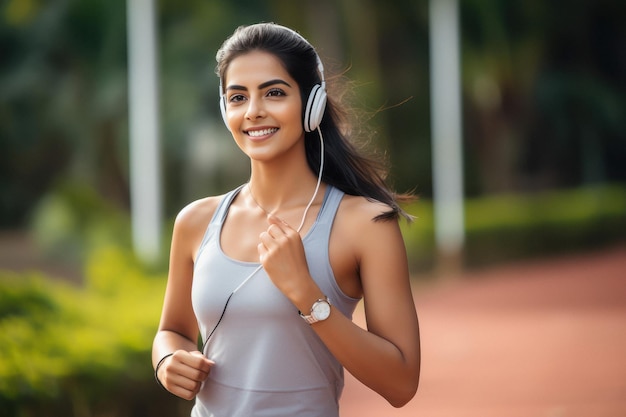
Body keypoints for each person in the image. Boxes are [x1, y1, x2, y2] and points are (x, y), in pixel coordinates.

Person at [152, 22, 420, 417]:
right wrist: (168, 360)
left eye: (274, 93)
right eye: (238, 96)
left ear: (313, 105)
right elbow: (171, 331)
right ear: (225, 108)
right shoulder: (195, 221)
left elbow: (401, 383)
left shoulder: (366, 224)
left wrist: (307, 296)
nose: (254, 111)